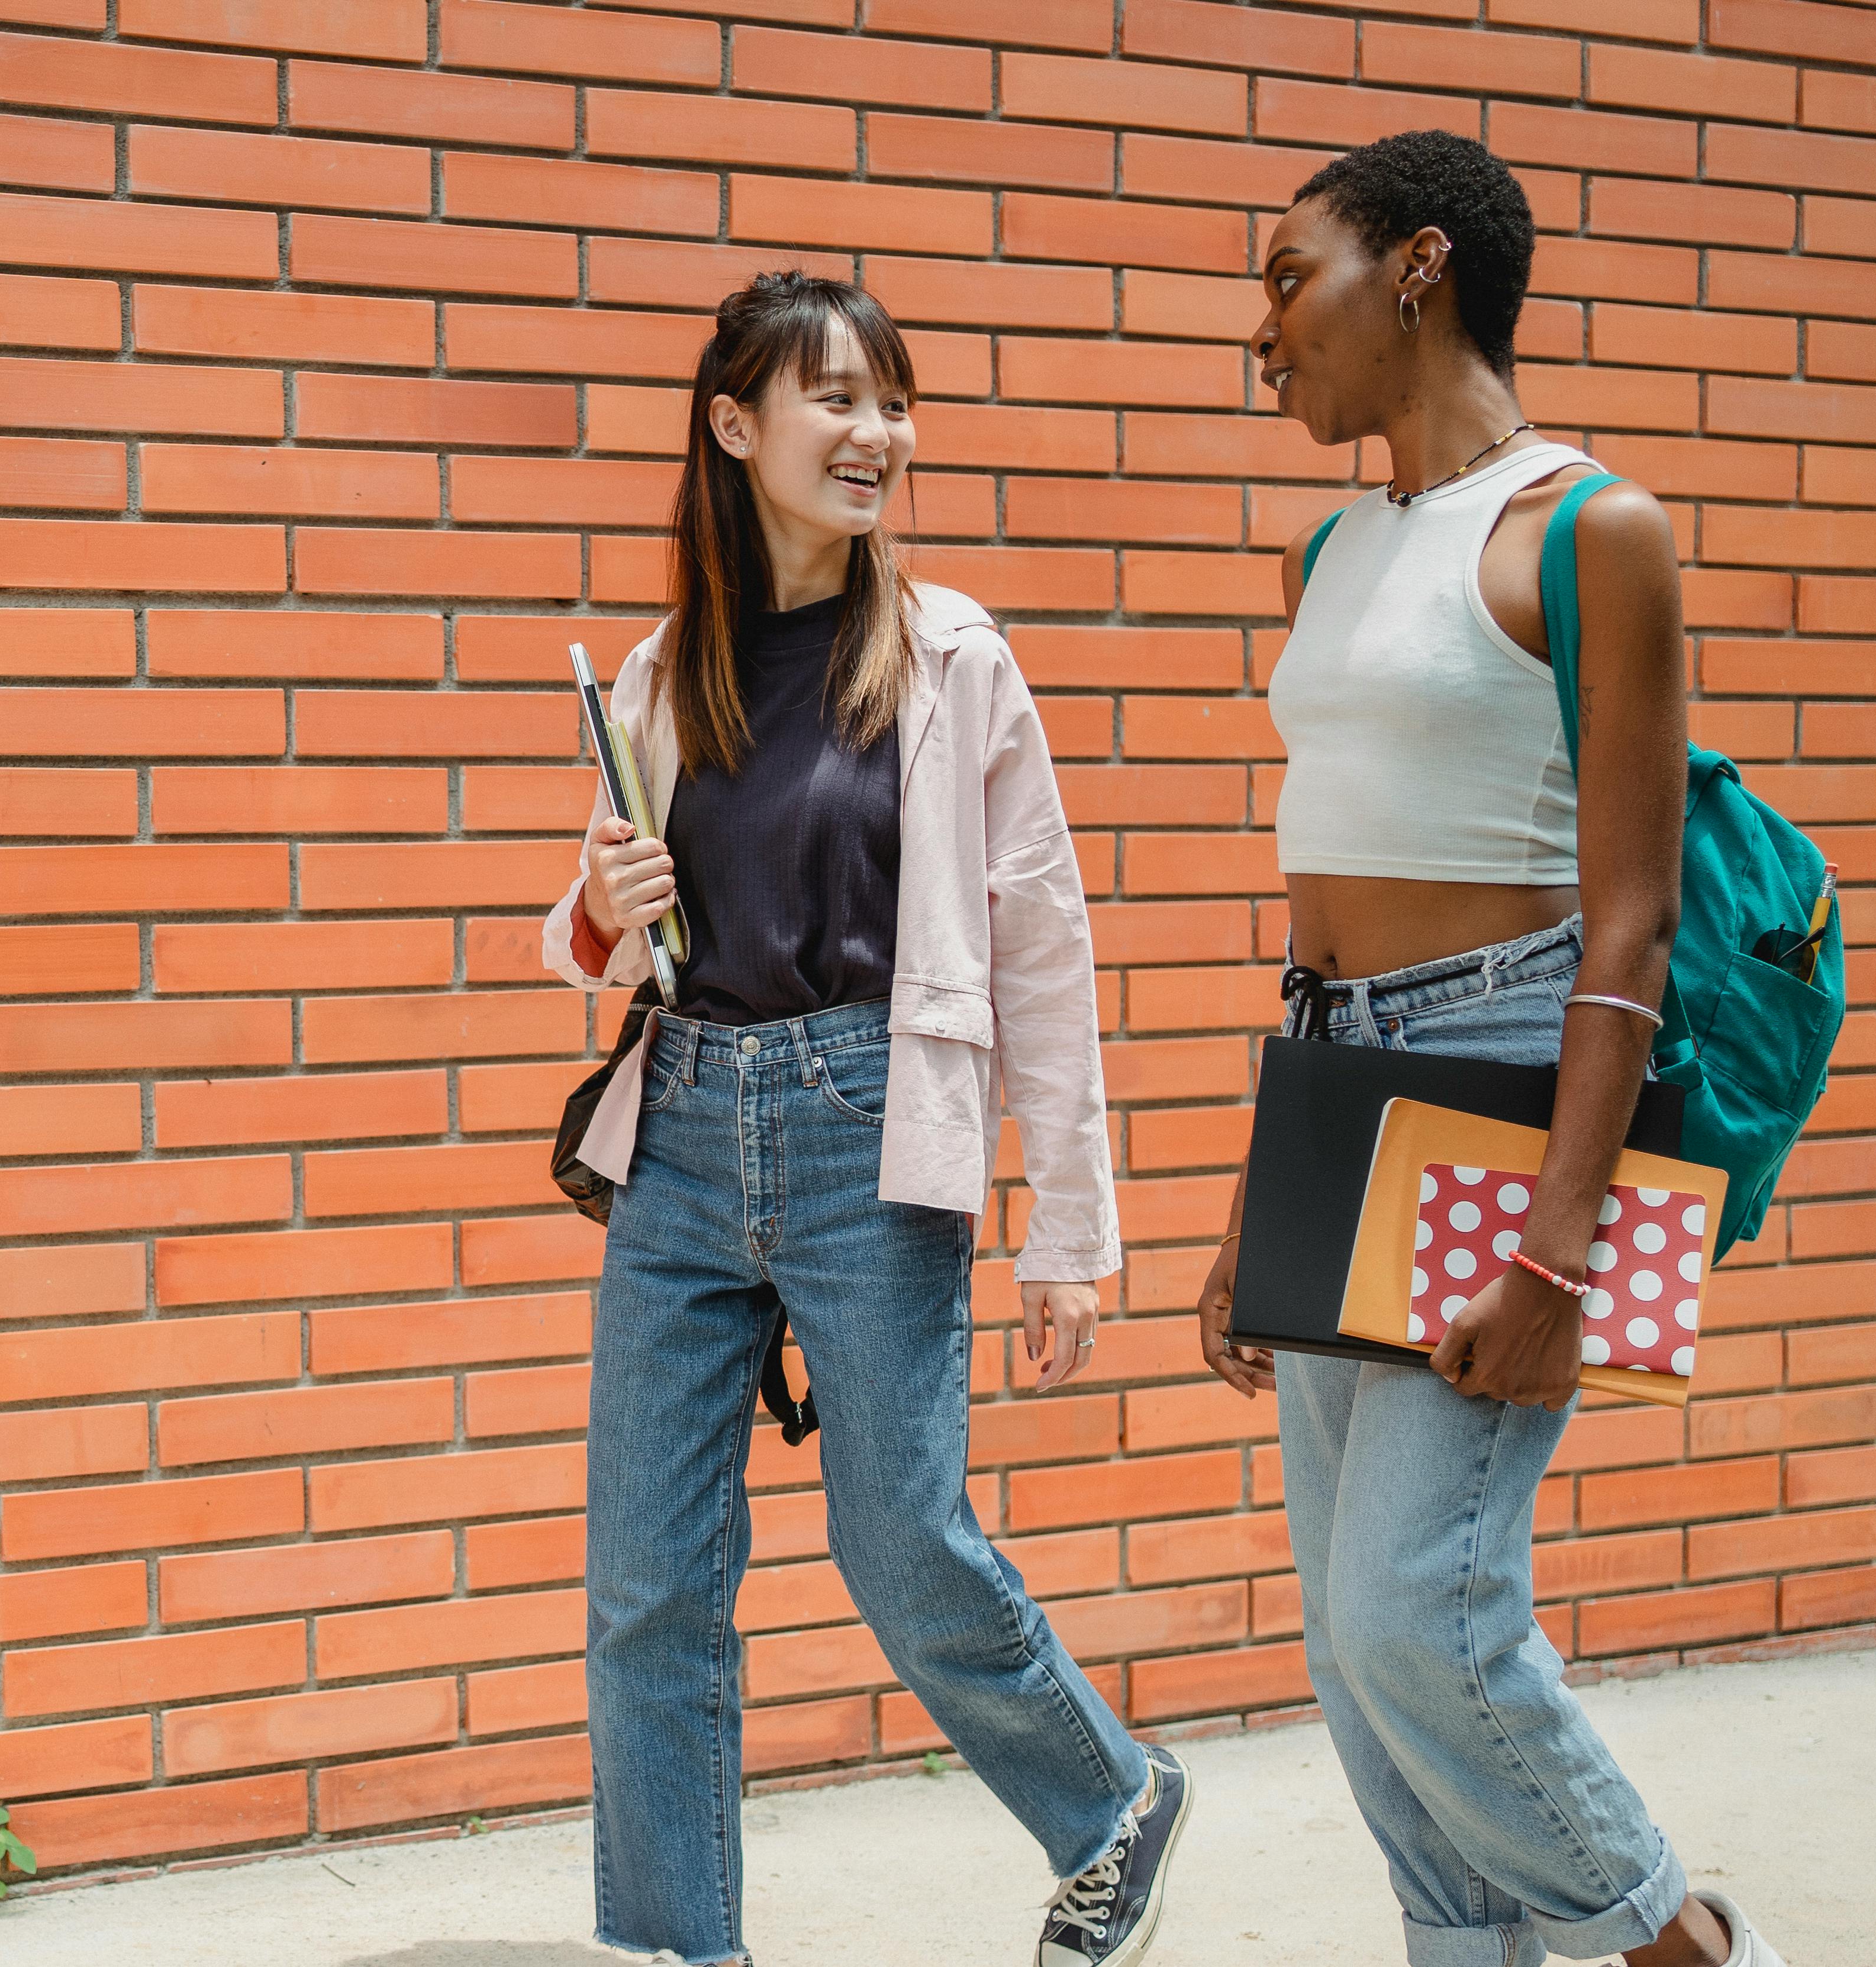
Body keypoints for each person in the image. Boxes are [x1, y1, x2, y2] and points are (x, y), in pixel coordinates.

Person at [544, 271, 1191, 1967]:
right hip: (682, 1130)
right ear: (735, 427)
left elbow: (1044, 941)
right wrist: (611, 900)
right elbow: (597, 936)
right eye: (831, 400)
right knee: (647, 1595)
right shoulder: (666, 665)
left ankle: (1109, 1800)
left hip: (863, 1131)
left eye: (889, 401)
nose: (874, 433)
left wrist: (1072, 1229)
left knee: (904, 1538)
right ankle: (683, 1948)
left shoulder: (953, 655)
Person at [1200, 130, 1788, 1967]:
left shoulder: (1589, 527)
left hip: (1505, 1078)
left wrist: (1559, 1248)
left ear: (1422, 268)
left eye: (1292, 278)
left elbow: (1632, 924)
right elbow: (1320, 915)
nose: (1266, 333)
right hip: (1334, 1077)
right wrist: (1251, 1204)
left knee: (1416, 1617)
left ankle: (1683, 1945)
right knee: (1351, 1660)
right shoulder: (1334, 539)